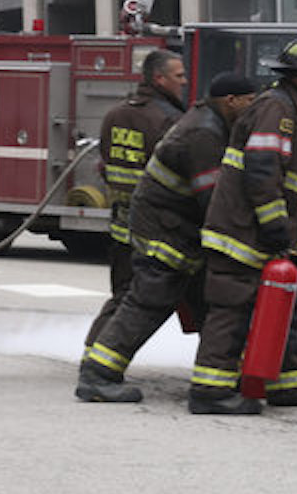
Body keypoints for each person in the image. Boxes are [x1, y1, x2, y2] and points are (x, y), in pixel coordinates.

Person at [186, 37, 297, 414]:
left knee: (289, 305)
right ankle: (210, 392)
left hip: (269, 232)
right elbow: (262, 172)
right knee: (232, 309)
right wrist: (275, 226)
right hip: (243, 233)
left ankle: (288, 384)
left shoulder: (296, 113)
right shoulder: (275, 110)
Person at [74, 72, 259, 402]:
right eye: (250, 101)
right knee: (151, 299)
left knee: (208, 301)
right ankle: (98, 374)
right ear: (231, 101)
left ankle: (221, 376)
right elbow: (213, 198)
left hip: (175, 226)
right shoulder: (204, 132)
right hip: (165, 229)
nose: (254, 109)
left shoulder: (212, 122)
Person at [84, 49, 189, 345]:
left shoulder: (115, 113)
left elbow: (104, 167)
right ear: (159, 78)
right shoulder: (170, 120)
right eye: (178, 76)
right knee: (147, 301)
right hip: (157, 229)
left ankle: (94, 351)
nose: (184, 82)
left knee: (123, 296)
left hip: (120, 227)